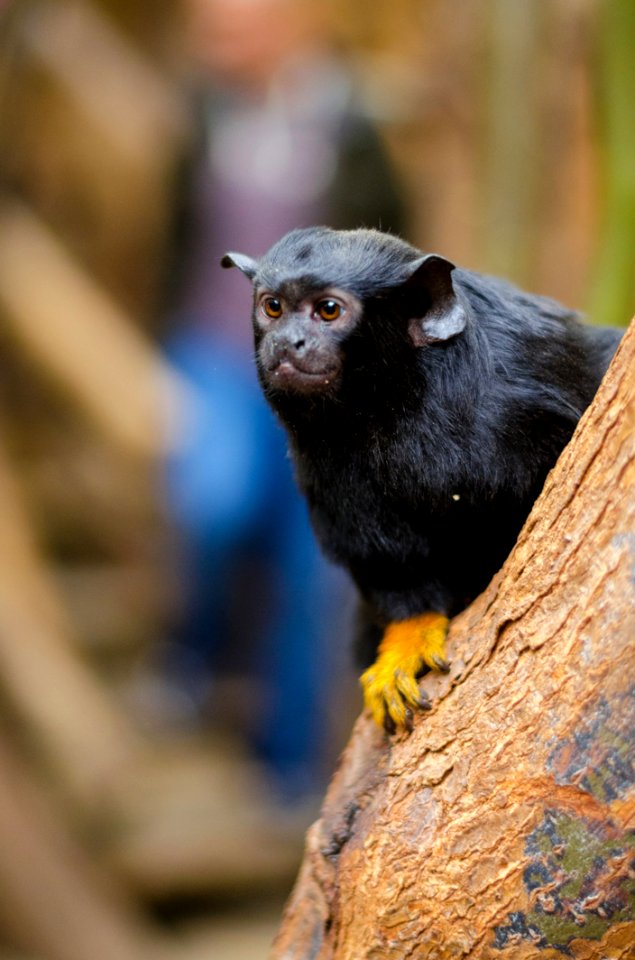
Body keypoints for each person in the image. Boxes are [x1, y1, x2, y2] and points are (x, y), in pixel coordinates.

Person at [160, 0, 407, 802]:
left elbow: (387, 265)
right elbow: (178, 238)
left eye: (234, 24)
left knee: (315, 572)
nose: (217, 40)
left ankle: (287, 762)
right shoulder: (203, 112)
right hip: (218, 355)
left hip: (321, 387)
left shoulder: (350, 126)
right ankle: (191, 664)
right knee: (215, 503)